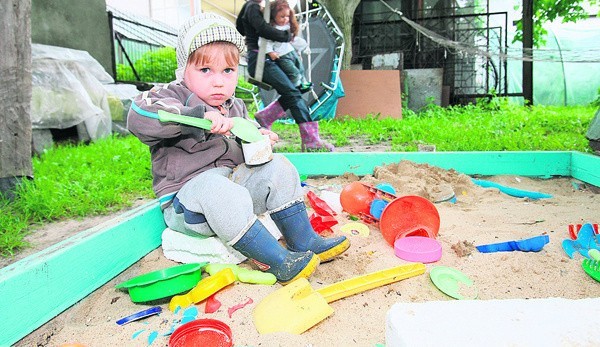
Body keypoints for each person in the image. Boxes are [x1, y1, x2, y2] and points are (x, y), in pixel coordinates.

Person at [127, 13, 349, 284]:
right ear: (183, 69)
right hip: (189, 202)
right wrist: (195, 117)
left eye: (228, 71)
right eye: (205, 70)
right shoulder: (169, 96)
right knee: (219, 190)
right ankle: (277, 261)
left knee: (280, 167)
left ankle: (303, 240)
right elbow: (139, 115)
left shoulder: (236, 107)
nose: (218, 81)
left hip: (234, 192)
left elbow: (247, 156)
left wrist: (256, 140)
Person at [236, 0, 334, 151]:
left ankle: (267, 116)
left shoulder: (251, 8)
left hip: (268, 60)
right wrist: (286, 36)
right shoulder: (252, 7)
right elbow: (263, 30)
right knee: (293, 93)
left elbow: (241, 27)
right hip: (261, 61)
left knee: (296, 90)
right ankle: (311, 141)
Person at [259, 0, 312, 93]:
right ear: (273, 17)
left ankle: (303, 82)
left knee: (300, 68)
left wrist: (301, 46)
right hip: (282, 55)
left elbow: (292, 39)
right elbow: (264, 43)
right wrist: (271, 53)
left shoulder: (287, 26)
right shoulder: (271, 30)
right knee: (293, 72)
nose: (285, 19)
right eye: (282, 17)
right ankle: (296, 87)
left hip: (290, 51)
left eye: (287, 16)